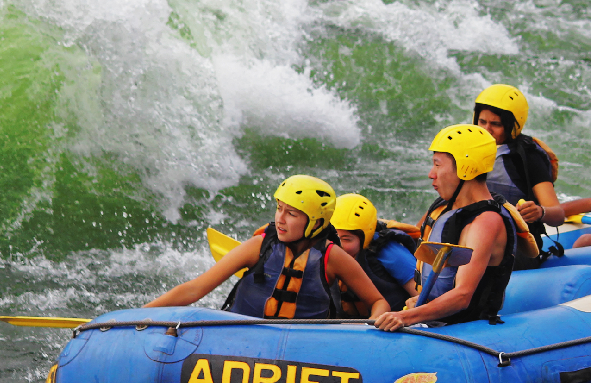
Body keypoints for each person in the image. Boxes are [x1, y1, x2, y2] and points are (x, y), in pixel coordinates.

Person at [146, 175, 391, 319]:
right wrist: (134, 315)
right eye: (279, 208)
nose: (280, 219)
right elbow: (193, 290)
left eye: (292, 213)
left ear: (316, 222)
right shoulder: (259, 247)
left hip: (303, 350)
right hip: (246, 336)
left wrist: (371, 327)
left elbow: (379, 302)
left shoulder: (333, 257)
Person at [373, 125, 520, 330]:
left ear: (465, 168)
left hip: (469, 331)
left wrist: (407, 317)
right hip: (442, 323)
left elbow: (462, 296)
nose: (431, 174)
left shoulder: (486, 222)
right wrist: (423, 304)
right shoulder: (451, 209)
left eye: (437, 165)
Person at [472, 84, 565, 249]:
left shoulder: (528, 157)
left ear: (512, 126)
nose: (487, 129)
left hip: (515, 246)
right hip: (472, 235)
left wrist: (540, 211)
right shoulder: (466, 149)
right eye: (482, 121)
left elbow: (557, 215)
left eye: (496, 124)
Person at [329, 193, 420, 318]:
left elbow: (422, 296)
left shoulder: (391, 254)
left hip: (393, 326)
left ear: (364, 237)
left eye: (347, 239)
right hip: (350, 325)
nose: (338, 246)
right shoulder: (322, 250)